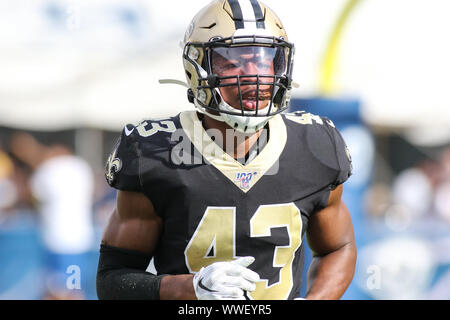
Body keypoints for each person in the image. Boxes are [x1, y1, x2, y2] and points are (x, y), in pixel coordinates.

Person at [97, 0, 356, 300]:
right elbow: (112, 280)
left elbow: (339, 247)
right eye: (233, 61)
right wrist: (188, 289)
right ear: (198, 68)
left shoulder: (314, 146)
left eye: (263, 59)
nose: (253, 75)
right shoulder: (153, 153)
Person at [9, 132, 95, 299]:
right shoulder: (81, 166)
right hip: (77, 238)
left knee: (65, 291)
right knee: (69, 289)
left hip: (61, 239)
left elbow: (30, 195)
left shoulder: (50, 169)